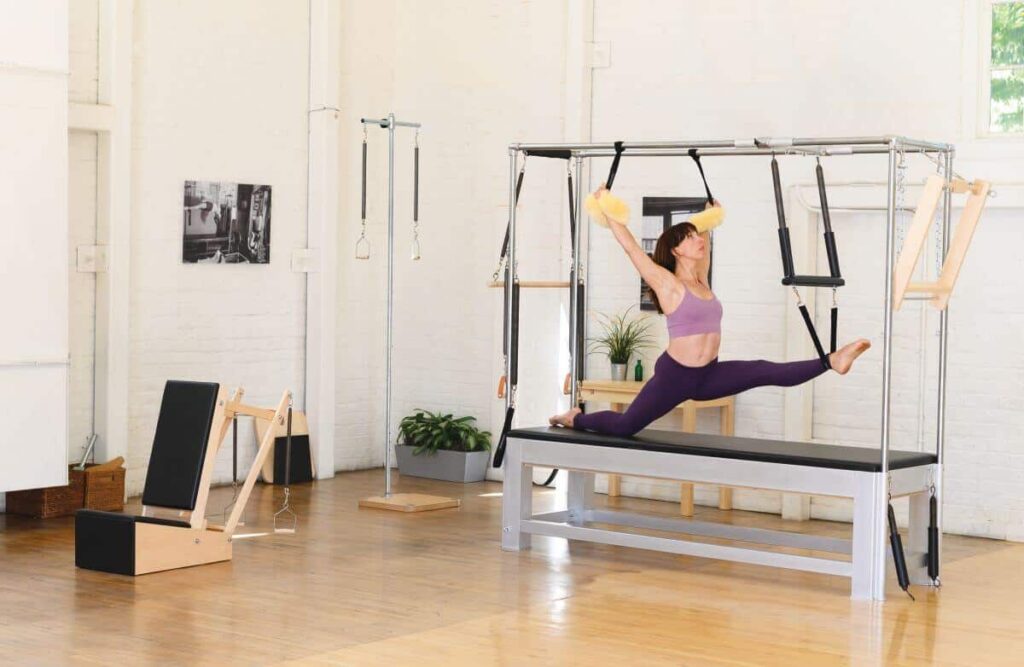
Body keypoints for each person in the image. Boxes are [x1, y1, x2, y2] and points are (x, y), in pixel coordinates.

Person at [549, 188, 870, 436]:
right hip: (675, 377)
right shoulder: (668, 285)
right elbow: (632, 248)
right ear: (675, 250)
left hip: (708, 375)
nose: (697, 241)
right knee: (626, 426)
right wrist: (606, 207)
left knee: (763, 370)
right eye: (689, 238)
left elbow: (706, 241)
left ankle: (831, 361)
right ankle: (576, 418)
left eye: (695, 235)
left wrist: (708, 216)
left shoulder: (701, 278)